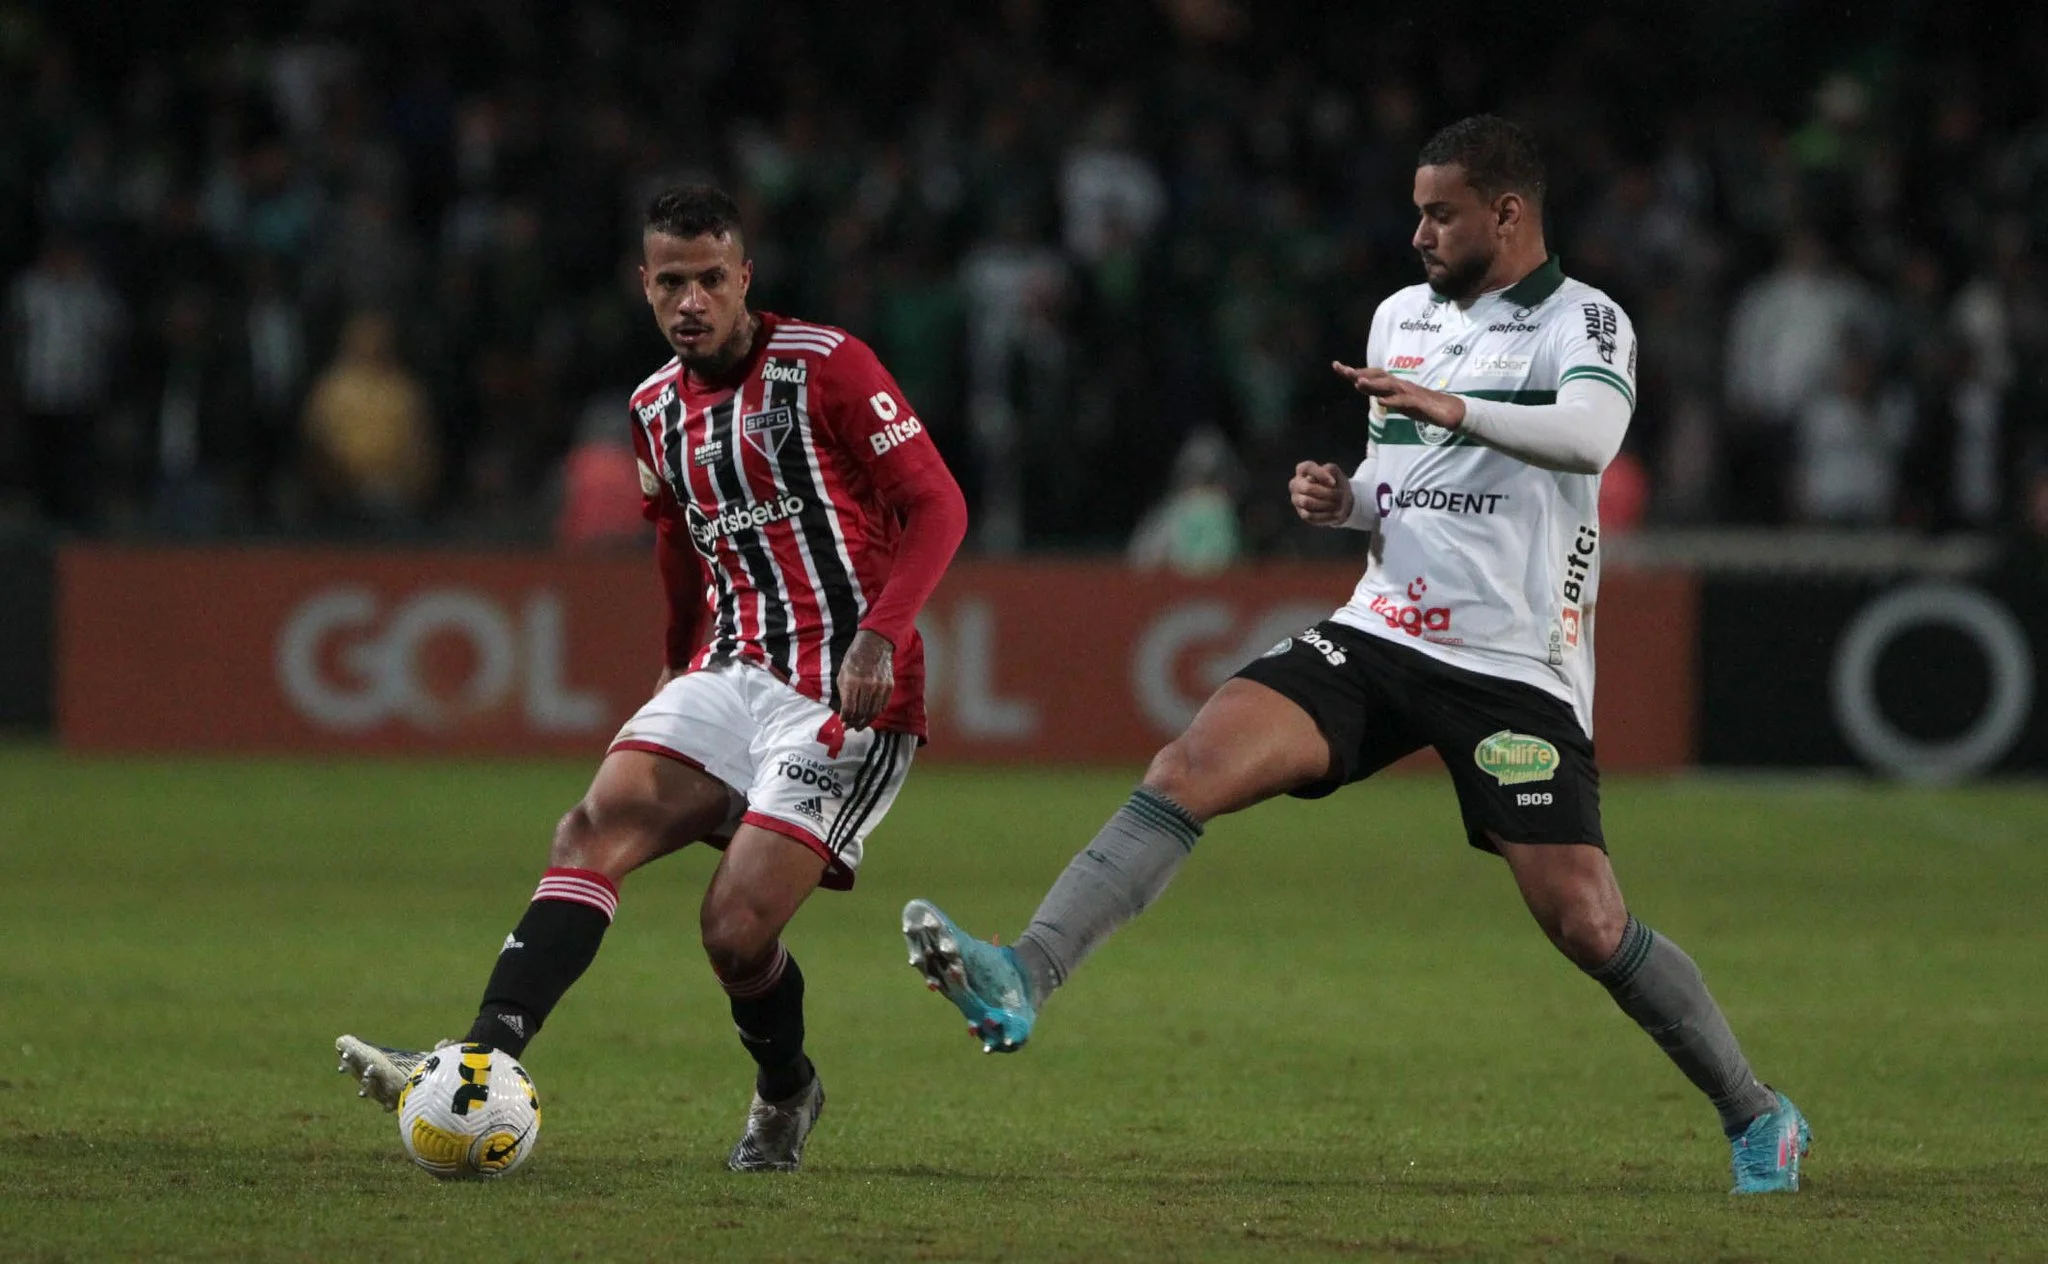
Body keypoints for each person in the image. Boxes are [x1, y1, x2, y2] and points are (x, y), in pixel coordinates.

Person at [902, 116, 1812, 1195]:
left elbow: (1586, 439)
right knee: (1184, 768)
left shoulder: (1585, 320)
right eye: (1416, 210)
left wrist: (1452, 406)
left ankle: (1756, 1114)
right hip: (1379, 631)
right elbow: (1403, 482)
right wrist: (1344, 501)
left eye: (1441, 212)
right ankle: (1022, 975)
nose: (1418, 232)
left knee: (1584, 919)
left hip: (1512, 665)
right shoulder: (1399, 318)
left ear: (1507, 213)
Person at [338, 184, 969, 1172]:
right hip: (731, 666)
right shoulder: (651, 408)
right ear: (643, 284)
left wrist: (880, 635)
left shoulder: (827, 368)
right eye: (670, 281)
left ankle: (786, 1090)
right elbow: (677, 537)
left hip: (845, 692)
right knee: (591, 826)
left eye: (710, 279)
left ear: (744, 278)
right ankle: (479, 1054)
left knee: (732, 930)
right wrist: (678, 651)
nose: (690, 301)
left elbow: (937, 505)